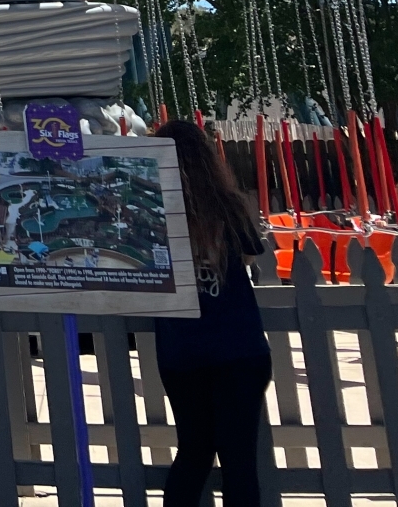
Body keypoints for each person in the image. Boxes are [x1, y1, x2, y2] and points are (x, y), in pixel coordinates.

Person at [154, 120, 271, 507]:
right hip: (238, 344)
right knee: (240, 461)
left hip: (182, 347)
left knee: (193, 453)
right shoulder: (228, 204)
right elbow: (250, 256)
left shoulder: (151, 209)